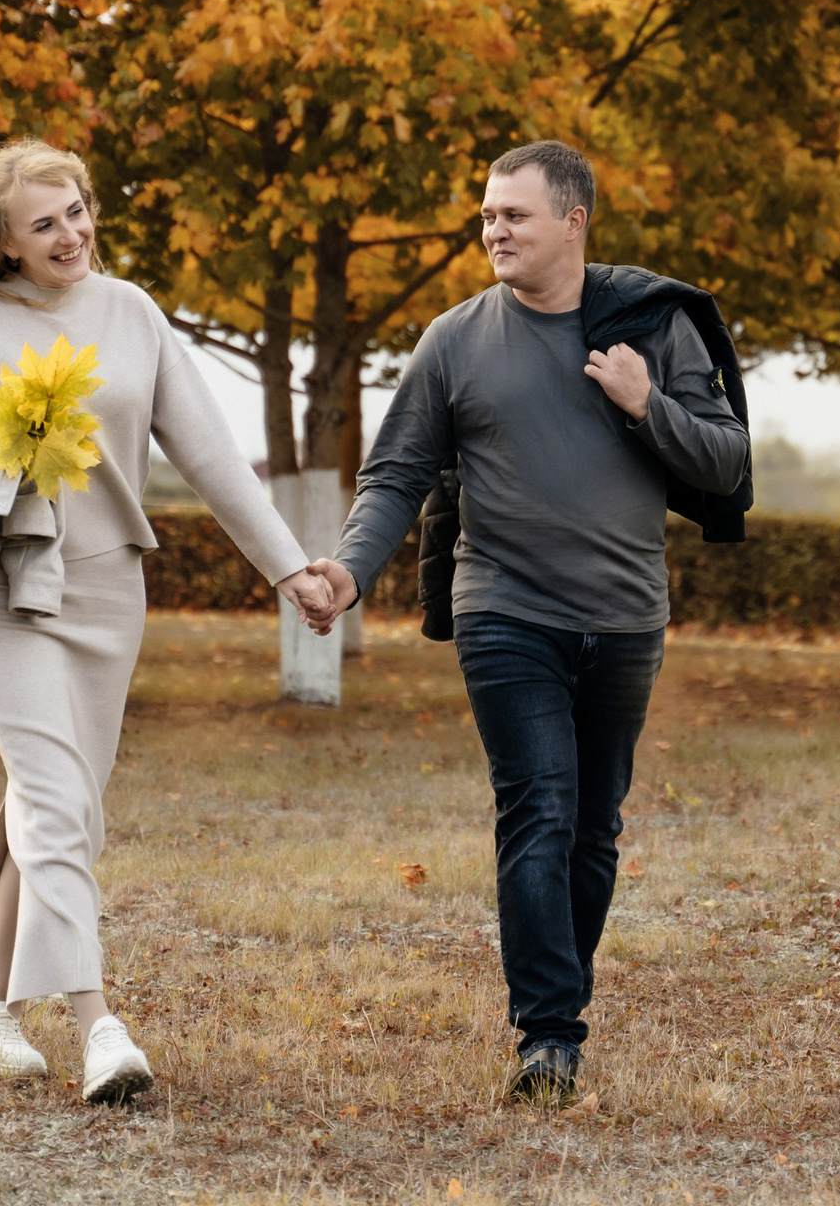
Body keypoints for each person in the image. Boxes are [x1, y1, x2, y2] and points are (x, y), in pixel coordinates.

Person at [0, 140, 342, 1102]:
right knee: (55, 794)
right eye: (44, 222)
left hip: (108, 592)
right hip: (1, 588)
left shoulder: (132, 312)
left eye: (78, 211)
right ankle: (101, 1025)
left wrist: (288, 567)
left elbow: (213, 455)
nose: (71, 233)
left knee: (61, 807)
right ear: (4, 243)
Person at [307, 140, 750, 1106]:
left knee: (594, 831)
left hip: (628, 616)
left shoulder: (650, 327)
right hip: (504, 608)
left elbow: (725, 463)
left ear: (574, 222)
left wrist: (646, 406)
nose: (494, 230)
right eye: (487, 216)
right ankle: (548, 1033)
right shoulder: (454, 340)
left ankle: (559, 996)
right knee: (539, 809)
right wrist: (349, 569)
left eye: (514, 215)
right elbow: (397, 475)